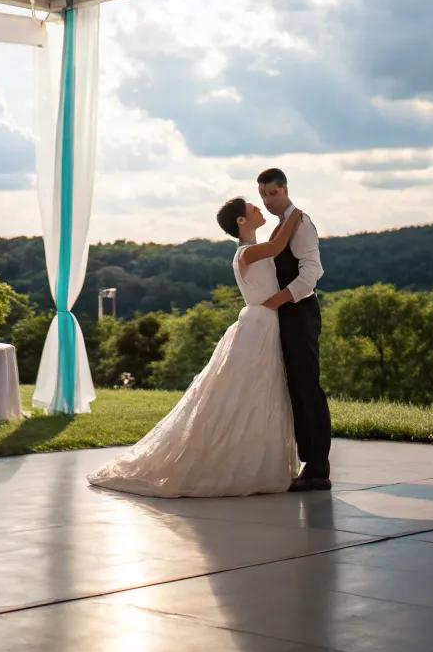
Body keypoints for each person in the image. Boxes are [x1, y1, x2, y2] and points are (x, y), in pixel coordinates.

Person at [87, 199, 303, 498]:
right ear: (241, 221)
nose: (260, 210)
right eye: (254, 209)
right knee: (245, 392)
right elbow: (277, 246)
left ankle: (257, 463)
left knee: (261, 393)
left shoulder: (251, 249)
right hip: (259, 325)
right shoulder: (248, 251)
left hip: (265, 322)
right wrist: (293, 214)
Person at [257, 167, 332, 491]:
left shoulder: (300, 223)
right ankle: (309, 464)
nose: (268, 201)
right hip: (287, 313)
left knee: (307, 387)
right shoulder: (281, 227)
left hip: (300, 312)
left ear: (285, 190)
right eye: (263, 195)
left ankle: (318, 469)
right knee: (295, 389)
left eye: (273, 193)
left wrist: (278, 301)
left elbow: (312, 272)